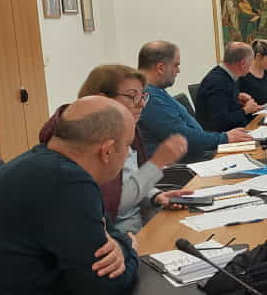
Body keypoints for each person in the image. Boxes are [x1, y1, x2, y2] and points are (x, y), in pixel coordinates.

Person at [0, 97, 141, 295]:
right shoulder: (66, 182)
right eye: (128, 145)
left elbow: (108, 230)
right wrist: (130, 251)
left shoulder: (46, 164)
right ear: (107, 151)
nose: (129, 154)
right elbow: (99, 290)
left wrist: (120, 246)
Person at [38, 65, 190, 234]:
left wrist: (154, 195)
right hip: (119, 233)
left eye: (143, 96)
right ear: (103, 99)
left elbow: (132, 177)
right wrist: (157, 163)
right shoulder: (90, 141)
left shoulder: (127, 128)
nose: (141, 104)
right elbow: (113, 204)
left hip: (139, 220)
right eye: (132, 96)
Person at [137, 40, 252, 161]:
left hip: (198, 154)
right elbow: (183, 137)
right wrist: (225, 138)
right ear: (160, 68)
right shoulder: (149, 97)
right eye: (176, 65)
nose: (178, 71)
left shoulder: (157, 91)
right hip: (184, 165)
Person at [196, 42, 262, 132]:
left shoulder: (225, 75)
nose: (250, 69)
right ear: (243, 64)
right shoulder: (217, 83)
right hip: (222, 135)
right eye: (250, 65)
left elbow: (224, 103)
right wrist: (245, 110)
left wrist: (236, 97)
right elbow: (220, 121)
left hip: (235, 129)